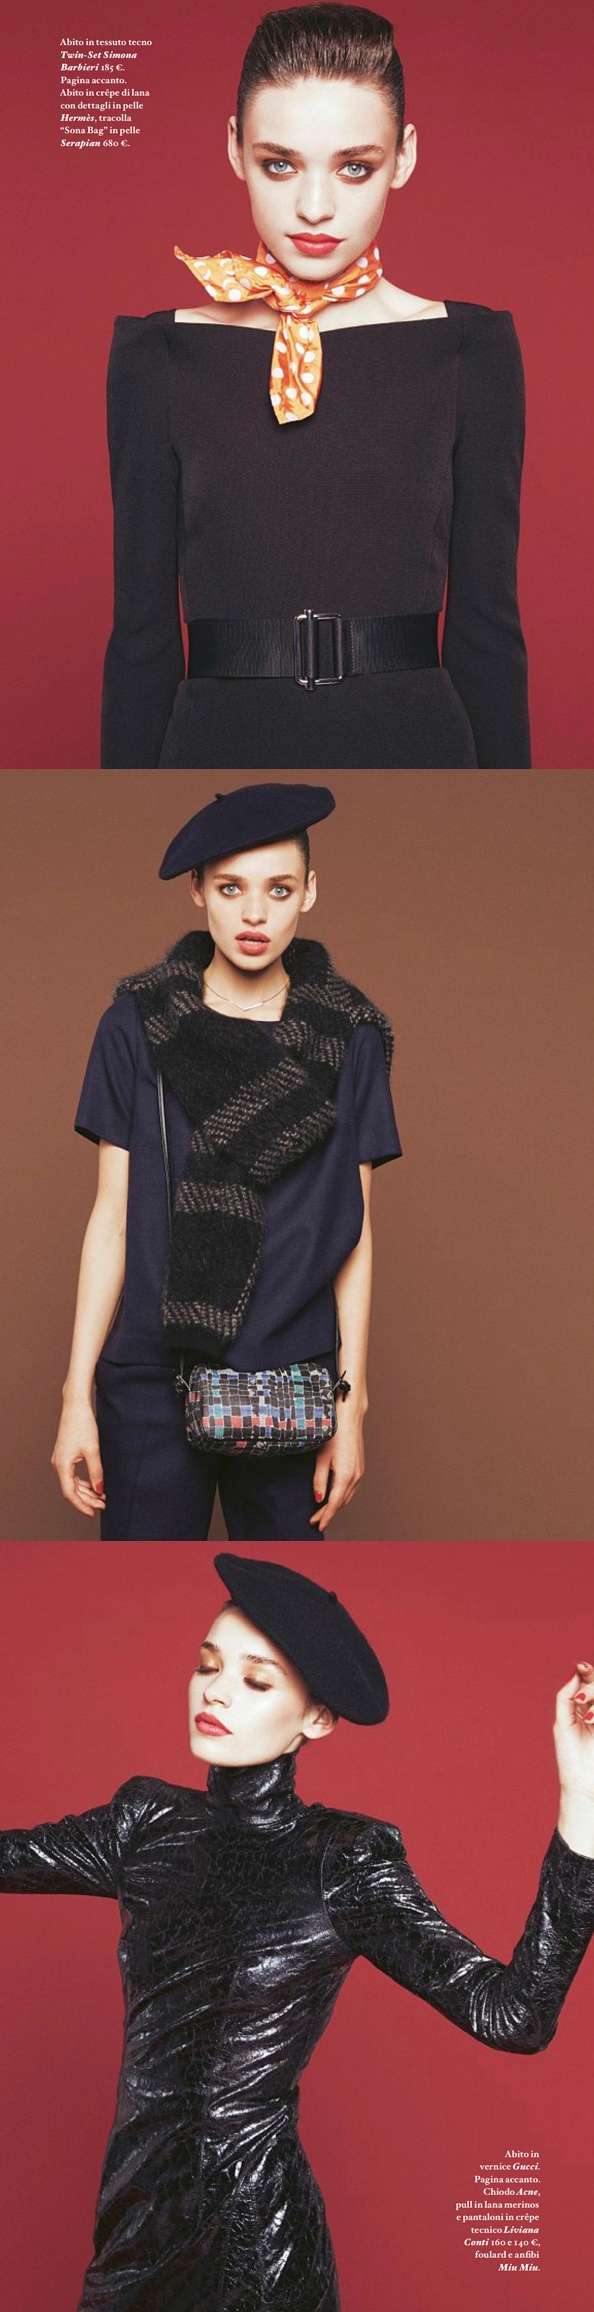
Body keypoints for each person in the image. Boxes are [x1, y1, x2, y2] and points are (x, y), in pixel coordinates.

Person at [1, 1551, 593, 2311]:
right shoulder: (144, 1823)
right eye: (207, 1665)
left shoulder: (342, 1860)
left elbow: (514, 2015)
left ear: (316, 1718)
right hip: (134, 2224)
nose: (215, 1691)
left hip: (257, 2244)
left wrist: (581, 1797)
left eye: (256, 1681)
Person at [101, 4, 530, 773]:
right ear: (235, 148)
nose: (315, 208)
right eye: (280, 163)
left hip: (420, 756)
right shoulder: (160, 354)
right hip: (215, 754)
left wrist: (513, 818)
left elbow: (488, 631)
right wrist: (121, 818)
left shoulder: (470, 349)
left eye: (354, 166)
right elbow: (141, 638)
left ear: (404, 157)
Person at [51, 783, 401, 1541]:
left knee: (283, 1579)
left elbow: (354, 1231)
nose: (254, 915)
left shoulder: (349, 1038)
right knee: (142, 1584)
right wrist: (75, 1393)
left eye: (279, 889)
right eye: (231, 888)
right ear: (198, 891)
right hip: (153, 1373)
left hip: (292, 1376)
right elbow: (112, 1218)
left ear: (309, 892)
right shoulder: (137, 1025)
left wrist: (353, 1403)